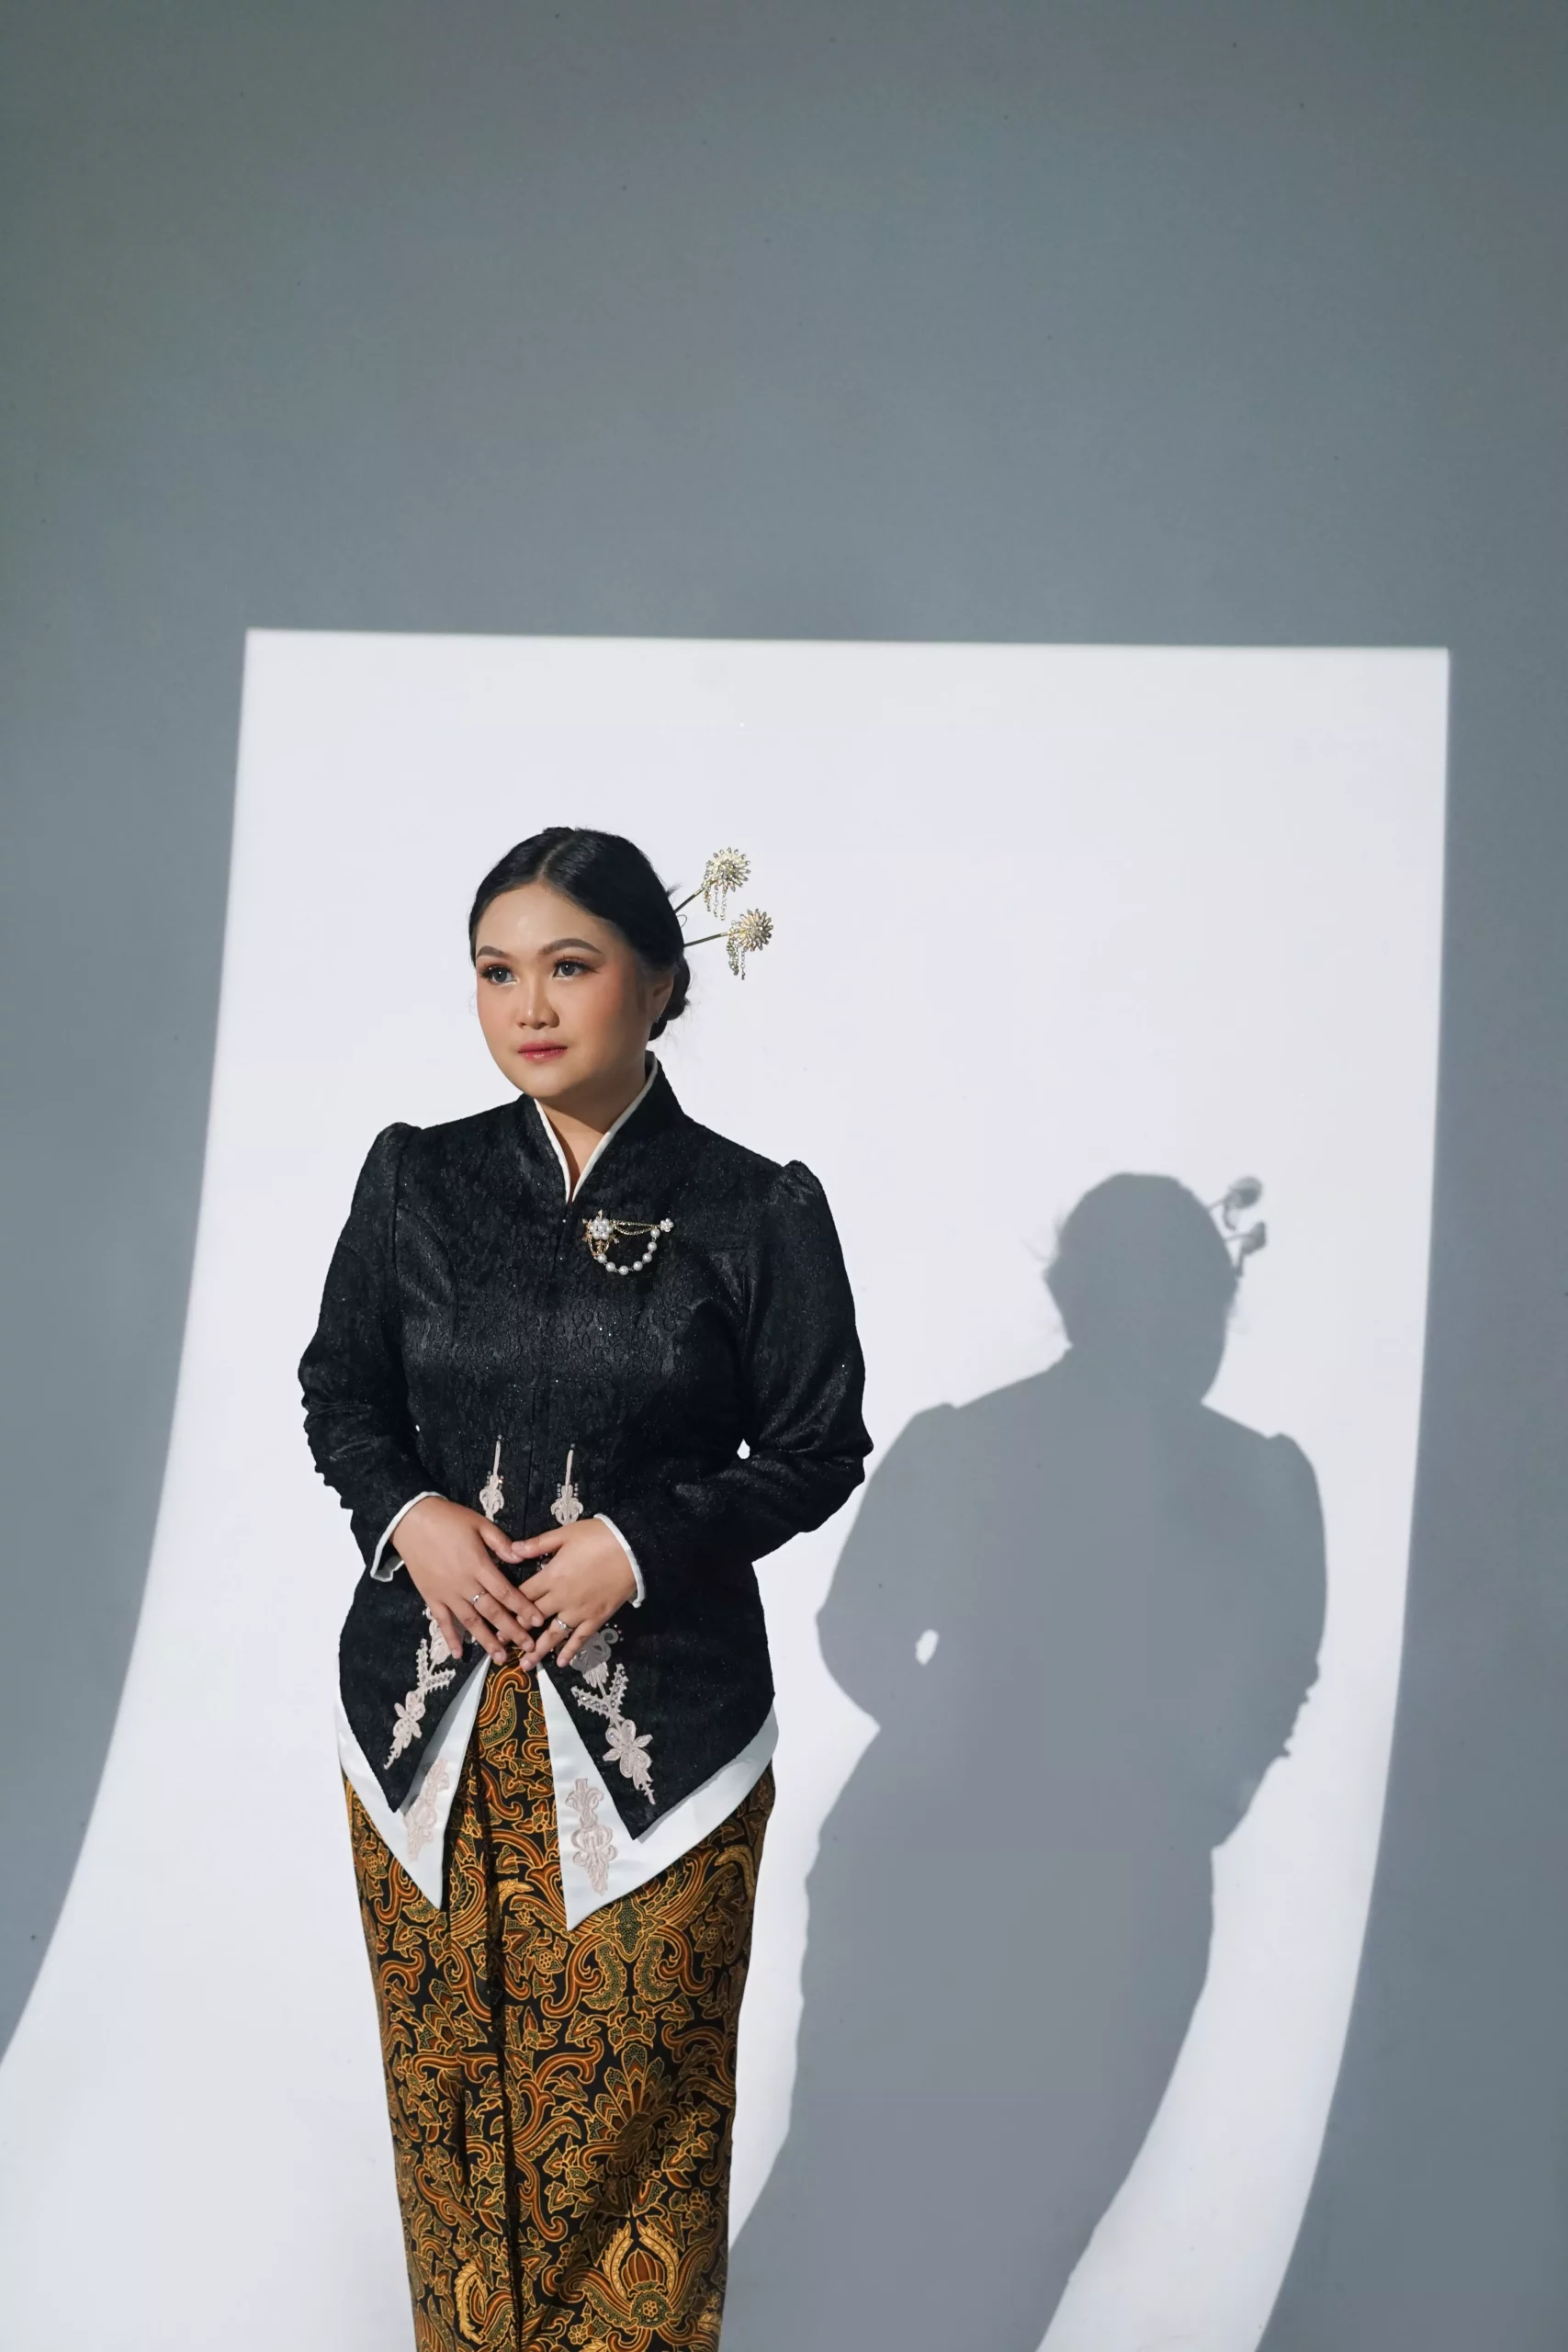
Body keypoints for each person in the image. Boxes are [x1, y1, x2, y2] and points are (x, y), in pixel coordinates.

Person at [298, 825, 871, 2352]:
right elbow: (340, 1392)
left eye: (570, 966)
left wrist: (640, 1543)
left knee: (636, 2137)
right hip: (420, 1735)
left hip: (658, 1745)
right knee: (451, 2127)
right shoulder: (417, 1181)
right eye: (496, 972)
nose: (529, 1006)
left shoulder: (755, 1208)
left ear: (662, 983)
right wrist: (409, 1513)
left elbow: (817, 1446)